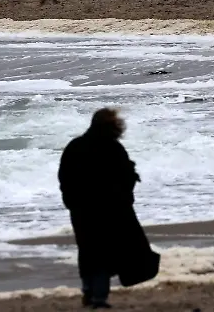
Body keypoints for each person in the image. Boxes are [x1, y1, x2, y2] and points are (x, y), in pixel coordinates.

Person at [59, 108, 159, 309]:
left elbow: (65, 178)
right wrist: (125, 201)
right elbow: (127, 177)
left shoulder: (75, 146)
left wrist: (71, 203)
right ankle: (98, 297)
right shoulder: (113, 149)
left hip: (81, 211)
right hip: (110, 211)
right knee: (102, 254)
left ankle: (88, 290)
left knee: (87, 250)